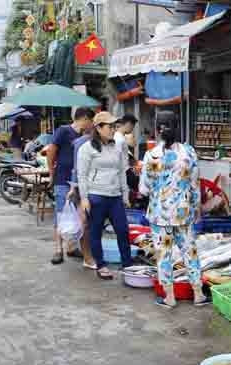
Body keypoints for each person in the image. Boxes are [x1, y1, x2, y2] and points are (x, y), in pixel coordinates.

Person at [139, 126, 205, 307]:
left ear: (158, 130)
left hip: (160, 215)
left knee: (164, 255)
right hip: (184, 212)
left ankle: (169, 297)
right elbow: (195, 183)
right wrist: (197, 205)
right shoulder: (189, 152)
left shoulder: (152, 155)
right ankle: (198, 293)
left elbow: (143, 189)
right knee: (190, 252)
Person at [77, 112, 133, 280]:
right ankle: (101, 265)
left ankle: (127, 264)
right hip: (96, 196)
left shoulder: (117, 146)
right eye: (109, 126)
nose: (112, 130)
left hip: (115, 196)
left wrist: (126, 195)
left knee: (123, 230)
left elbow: (122, 171)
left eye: (114, 126)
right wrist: (84, 198)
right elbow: (82, 175)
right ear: (99, 128)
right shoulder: (86, 148)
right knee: (95, 231)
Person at [46, 107, 95, 265]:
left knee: (79, 217)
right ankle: (58, 250)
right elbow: (51, 151)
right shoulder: (64, 131)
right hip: (63, 179)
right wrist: (51, 172)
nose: (92, 125)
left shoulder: (86, 136)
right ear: (85, 118)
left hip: (80, 182)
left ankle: (71, 247)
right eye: (91, 121)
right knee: (61, 214)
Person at [67, 127, 96, 270]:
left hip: (97, 188)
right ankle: (87, 257)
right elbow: (76, 168)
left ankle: (90, 255)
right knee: (85, 223)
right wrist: (73, 188)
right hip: (83, 188)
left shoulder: (108, 142)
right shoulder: (83, 142)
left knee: (91, 223)